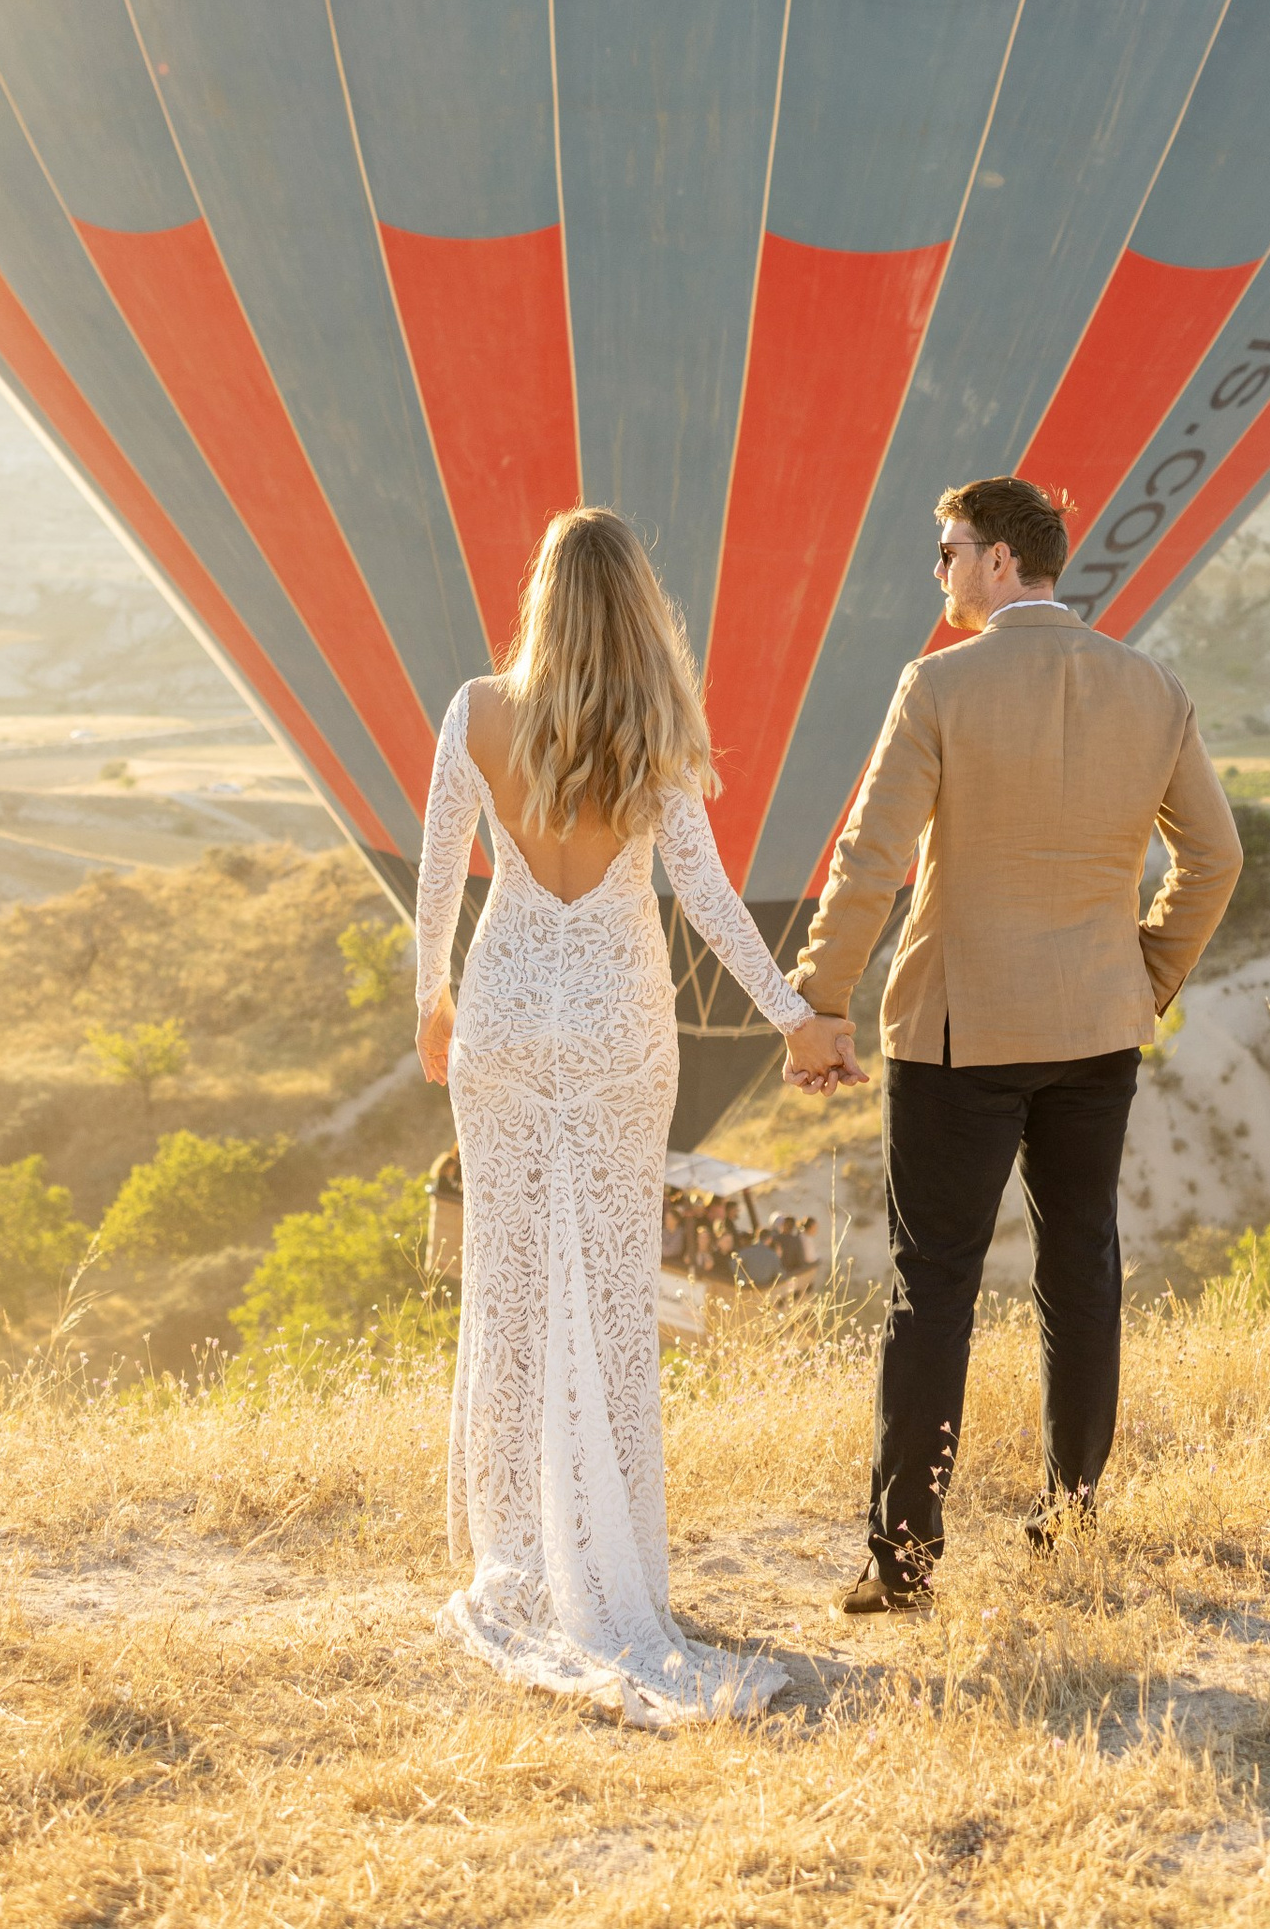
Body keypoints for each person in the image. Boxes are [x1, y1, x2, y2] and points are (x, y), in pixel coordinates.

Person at [413, 506, 854, 1724]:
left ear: (542, 601)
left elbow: (440, 867)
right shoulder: (657, 729)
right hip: (615, 1027)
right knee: (607, 1297)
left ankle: (510, 1560)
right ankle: (611, 1575)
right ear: (637, 609)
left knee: (505, 1288)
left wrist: (429, 1000)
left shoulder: (477, 711)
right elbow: (706, 897)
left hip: (502, 1016)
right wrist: (791, 1019)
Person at [787, 476, 1243, 1613]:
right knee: (1080, 1265)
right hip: (1095, 1026)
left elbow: (870, 857)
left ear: (998, 562)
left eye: (945, 550)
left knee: (931, 1288)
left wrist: (821, 1003)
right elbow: (1216, 860)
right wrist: (1144, 974)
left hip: (959, 1034)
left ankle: (905, 1561)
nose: (935, 571)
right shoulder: (1151, 687)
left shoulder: (939, 684)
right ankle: (1072, 1516)